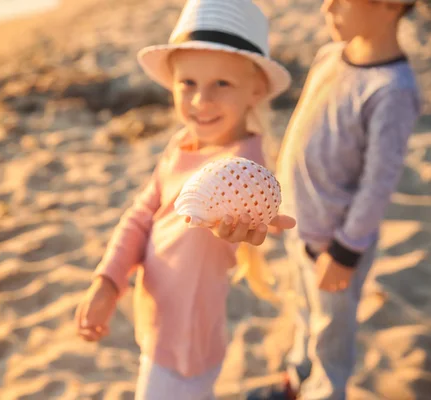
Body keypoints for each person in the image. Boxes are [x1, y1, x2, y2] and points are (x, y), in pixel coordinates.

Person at [74, 0, 296, 398]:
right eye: (188, 83)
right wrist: (109, 280)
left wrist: (239, 231)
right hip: (156, 316)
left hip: (186, 343)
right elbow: (143, 213)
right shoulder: (182, 143)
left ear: (256, 89)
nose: (200, 101)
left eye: (221, 84)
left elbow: (243, 217)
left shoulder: (243, 167)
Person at [250, 0, 422, 399]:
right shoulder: (330, 55)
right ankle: (298, 376)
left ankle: (325, 390)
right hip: (300, 220)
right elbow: (301, 129)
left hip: (337, 241)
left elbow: (378, 184)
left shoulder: (392, 90)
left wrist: (346, 251)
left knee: (332, 333)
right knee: (304, 311)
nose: (327, 6)